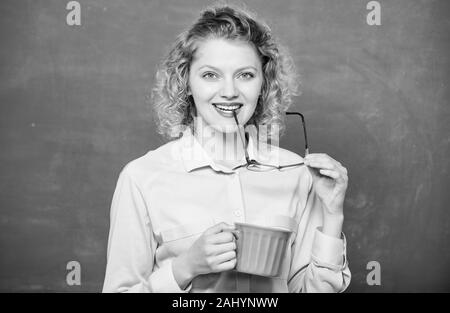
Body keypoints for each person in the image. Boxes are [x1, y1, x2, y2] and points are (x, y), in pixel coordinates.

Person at [102, 4, 351, 293]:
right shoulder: (141, 178)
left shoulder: (297, 174)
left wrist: (333, 215)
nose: (230, 91)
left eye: (245, 75)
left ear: (264, 84)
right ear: (187, 83)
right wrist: (185, 268)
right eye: (210, 75)